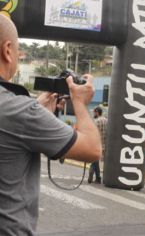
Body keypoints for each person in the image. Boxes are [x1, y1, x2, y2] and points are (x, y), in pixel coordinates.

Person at [0, 14, 101, 235]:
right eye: (18, 51)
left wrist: (35, 109)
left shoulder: (21, 111)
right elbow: (92, 149)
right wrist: (80, 104)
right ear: (8, 50)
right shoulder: (20, 111)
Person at [88, 106, 108, 184]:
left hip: (96, 144)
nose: (93, 114)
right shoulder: (107, 121)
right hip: (104, 144)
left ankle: (91, 174)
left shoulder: (96, 121)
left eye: (94, 112)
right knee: (96, 161)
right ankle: (98, 178)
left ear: (97, 112)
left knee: (94, 161)